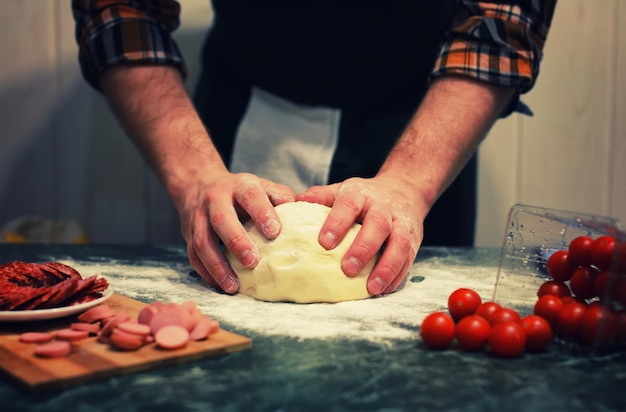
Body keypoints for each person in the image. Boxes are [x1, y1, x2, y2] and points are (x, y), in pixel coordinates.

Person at [72, 1, 557, 297]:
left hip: (423, 117)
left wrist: (409, 183)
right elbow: (121, 9)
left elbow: (500, 22)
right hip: (245, 106)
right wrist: (196, 176)